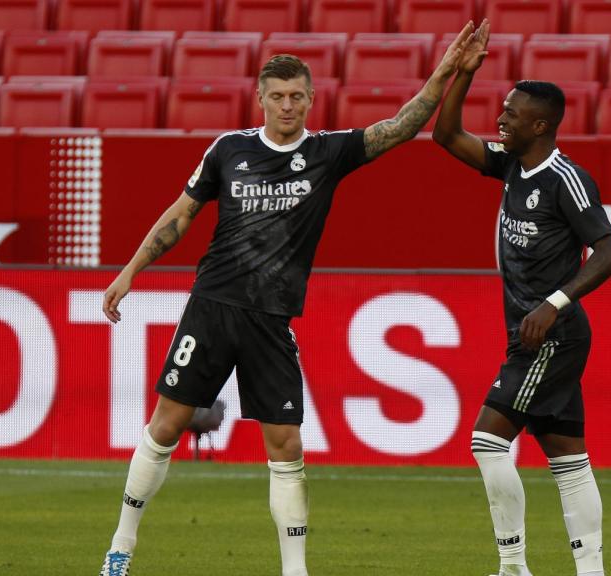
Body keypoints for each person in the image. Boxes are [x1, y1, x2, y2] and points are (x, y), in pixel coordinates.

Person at [96, 23, 480, 576]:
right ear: (260, 99)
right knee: (166, 425)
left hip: (272, 321)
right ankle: (121, 546)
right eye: (277, 96)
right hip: (212, 307)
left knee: (286, 442)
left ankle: (294, 570)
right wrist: (131, 270)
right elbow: (180, 215)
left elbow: (399, 128)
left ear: (310, 99)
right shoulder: (229, 150)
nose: (287, 105)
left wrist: (445, 73)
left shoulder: (327, 153)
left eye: (297, 96)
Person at [433, 21, 611, 576]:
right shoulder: (512, 165)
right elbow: (446, 137)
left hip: (552, 334)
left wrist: (554, 302)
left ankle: (512, 566)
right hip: (534, 332)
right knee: (568, 459)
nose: (500, 120)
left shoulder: (567, 180)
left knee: (487, 441)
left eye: (511, 115)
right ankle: (591, 571)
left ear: (539, 125)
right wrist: (463, 76)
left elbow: (609, 254)